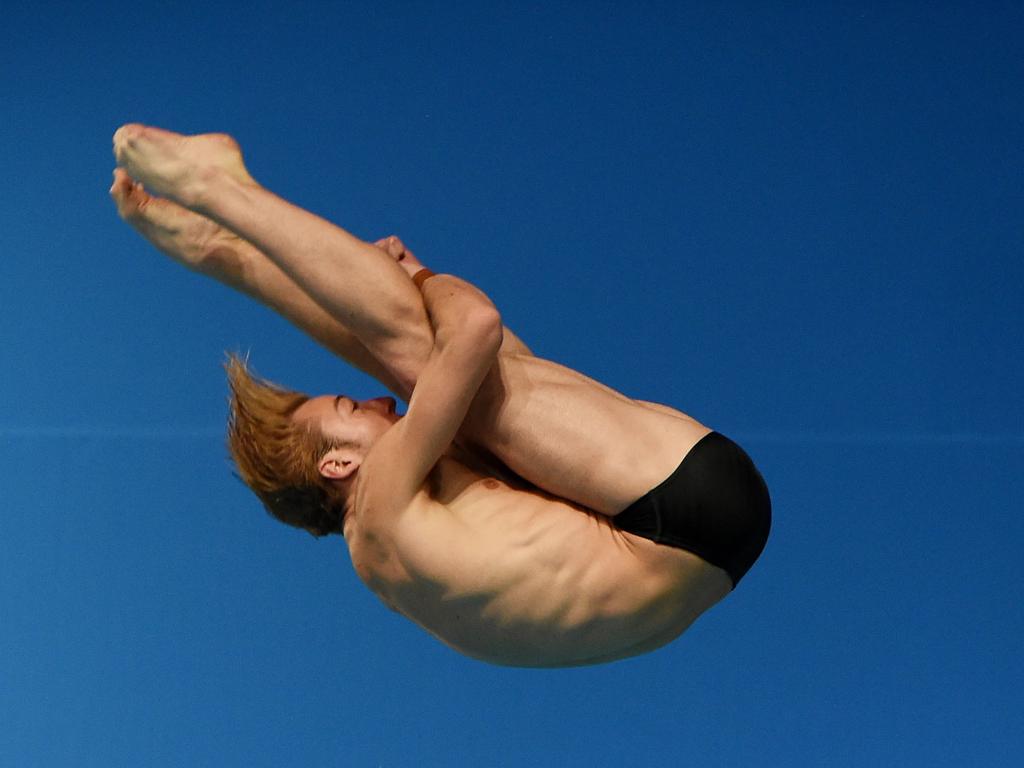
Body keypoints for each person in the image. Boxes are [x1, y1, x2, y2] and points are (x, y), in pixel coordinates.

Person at [110, 124, 770, 667]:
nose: (377, 406)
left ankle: (220, 251)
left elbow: (500, 370)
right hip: (680, 507)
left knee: (450, 381)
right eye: (352, 411)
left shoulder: (392, 558)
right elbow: (477, 329)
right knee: (424, 355)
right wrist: (424, 276)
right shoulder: (382, 499)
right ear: (337, 466)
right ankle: (221, 191)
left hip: (699, 553)